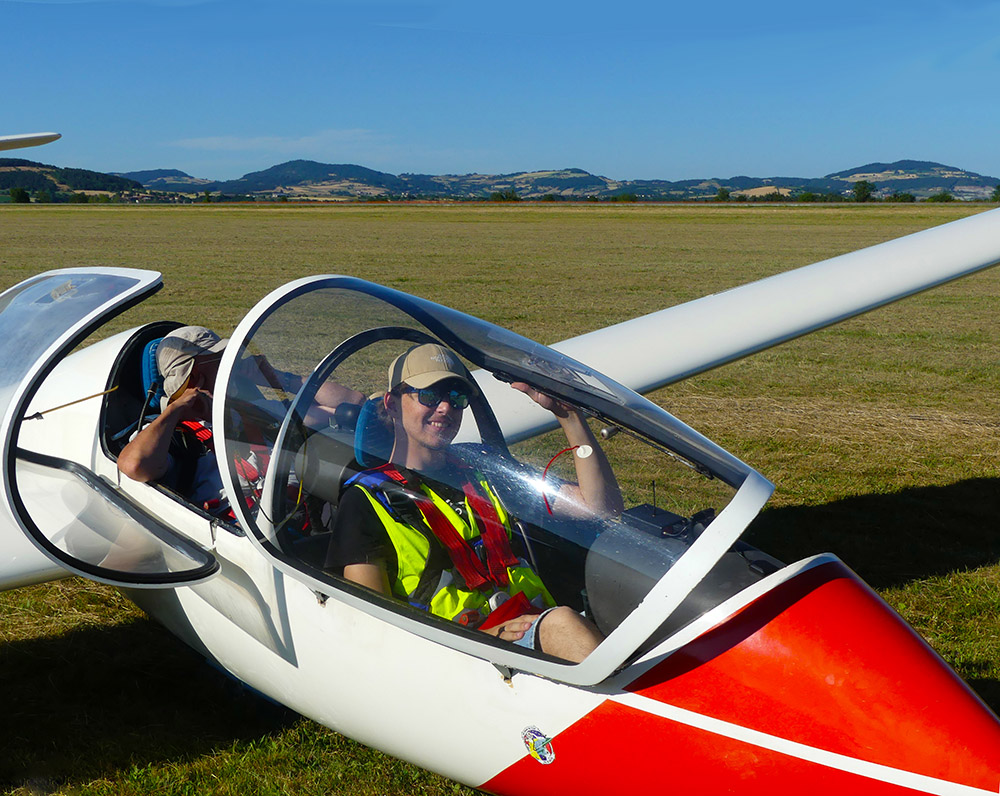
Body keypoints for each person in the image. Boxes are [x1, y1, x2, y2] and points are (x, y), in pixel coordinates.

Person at [327, 343, 623, 663]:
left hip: (530, 631)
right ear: (392, 404)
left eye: (457, 398)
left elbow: (600, 508)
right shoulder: (364, 501)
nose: (445, 408)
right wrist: (478, 638)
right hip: (452, 660)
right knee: (562, 624)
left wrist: (568, 416)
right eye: (429, 395)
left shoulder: (482, 469)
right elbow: (372, 626)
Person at [118, 325, 364, 516]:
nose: (232, 363)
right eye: (221, 358)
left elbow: (351, 403)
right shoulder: (168, 433)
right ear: (195, 376)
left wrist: (279, 378)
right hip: (246, 541)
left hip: (305, 523)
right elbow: (134, 466)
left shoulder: (253, 410)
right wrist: (174, 412)